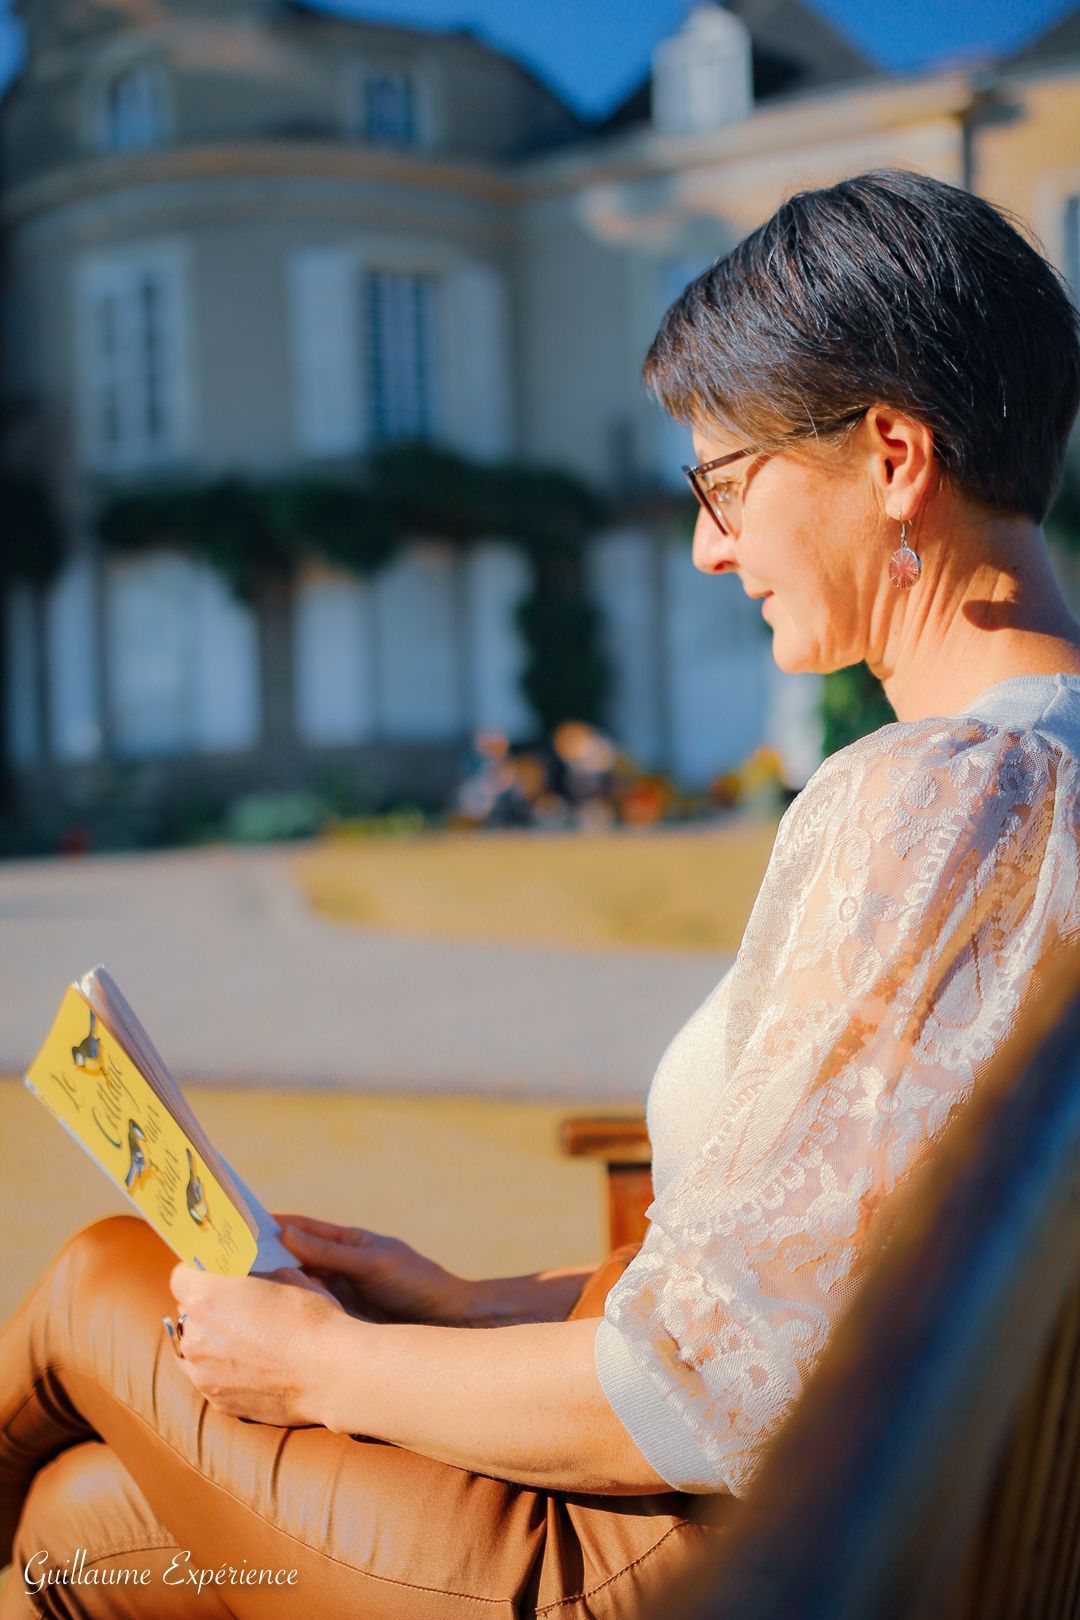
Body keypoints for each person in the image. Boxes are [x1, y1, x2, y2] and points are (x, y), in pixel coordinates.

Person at [3, 167, 1080, 1618]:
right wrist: (464, 1300)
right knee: (84, 1525)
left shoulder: (949, 800)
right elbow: (795, 1273)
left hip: (714, 1567)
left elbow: (716, 1388)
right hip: (873, 1521)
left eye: (728, 480)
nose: (709, 545)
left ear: (892, 456)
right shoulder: (1039, 770)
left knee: (94, 1284)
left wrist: (330, 1364)